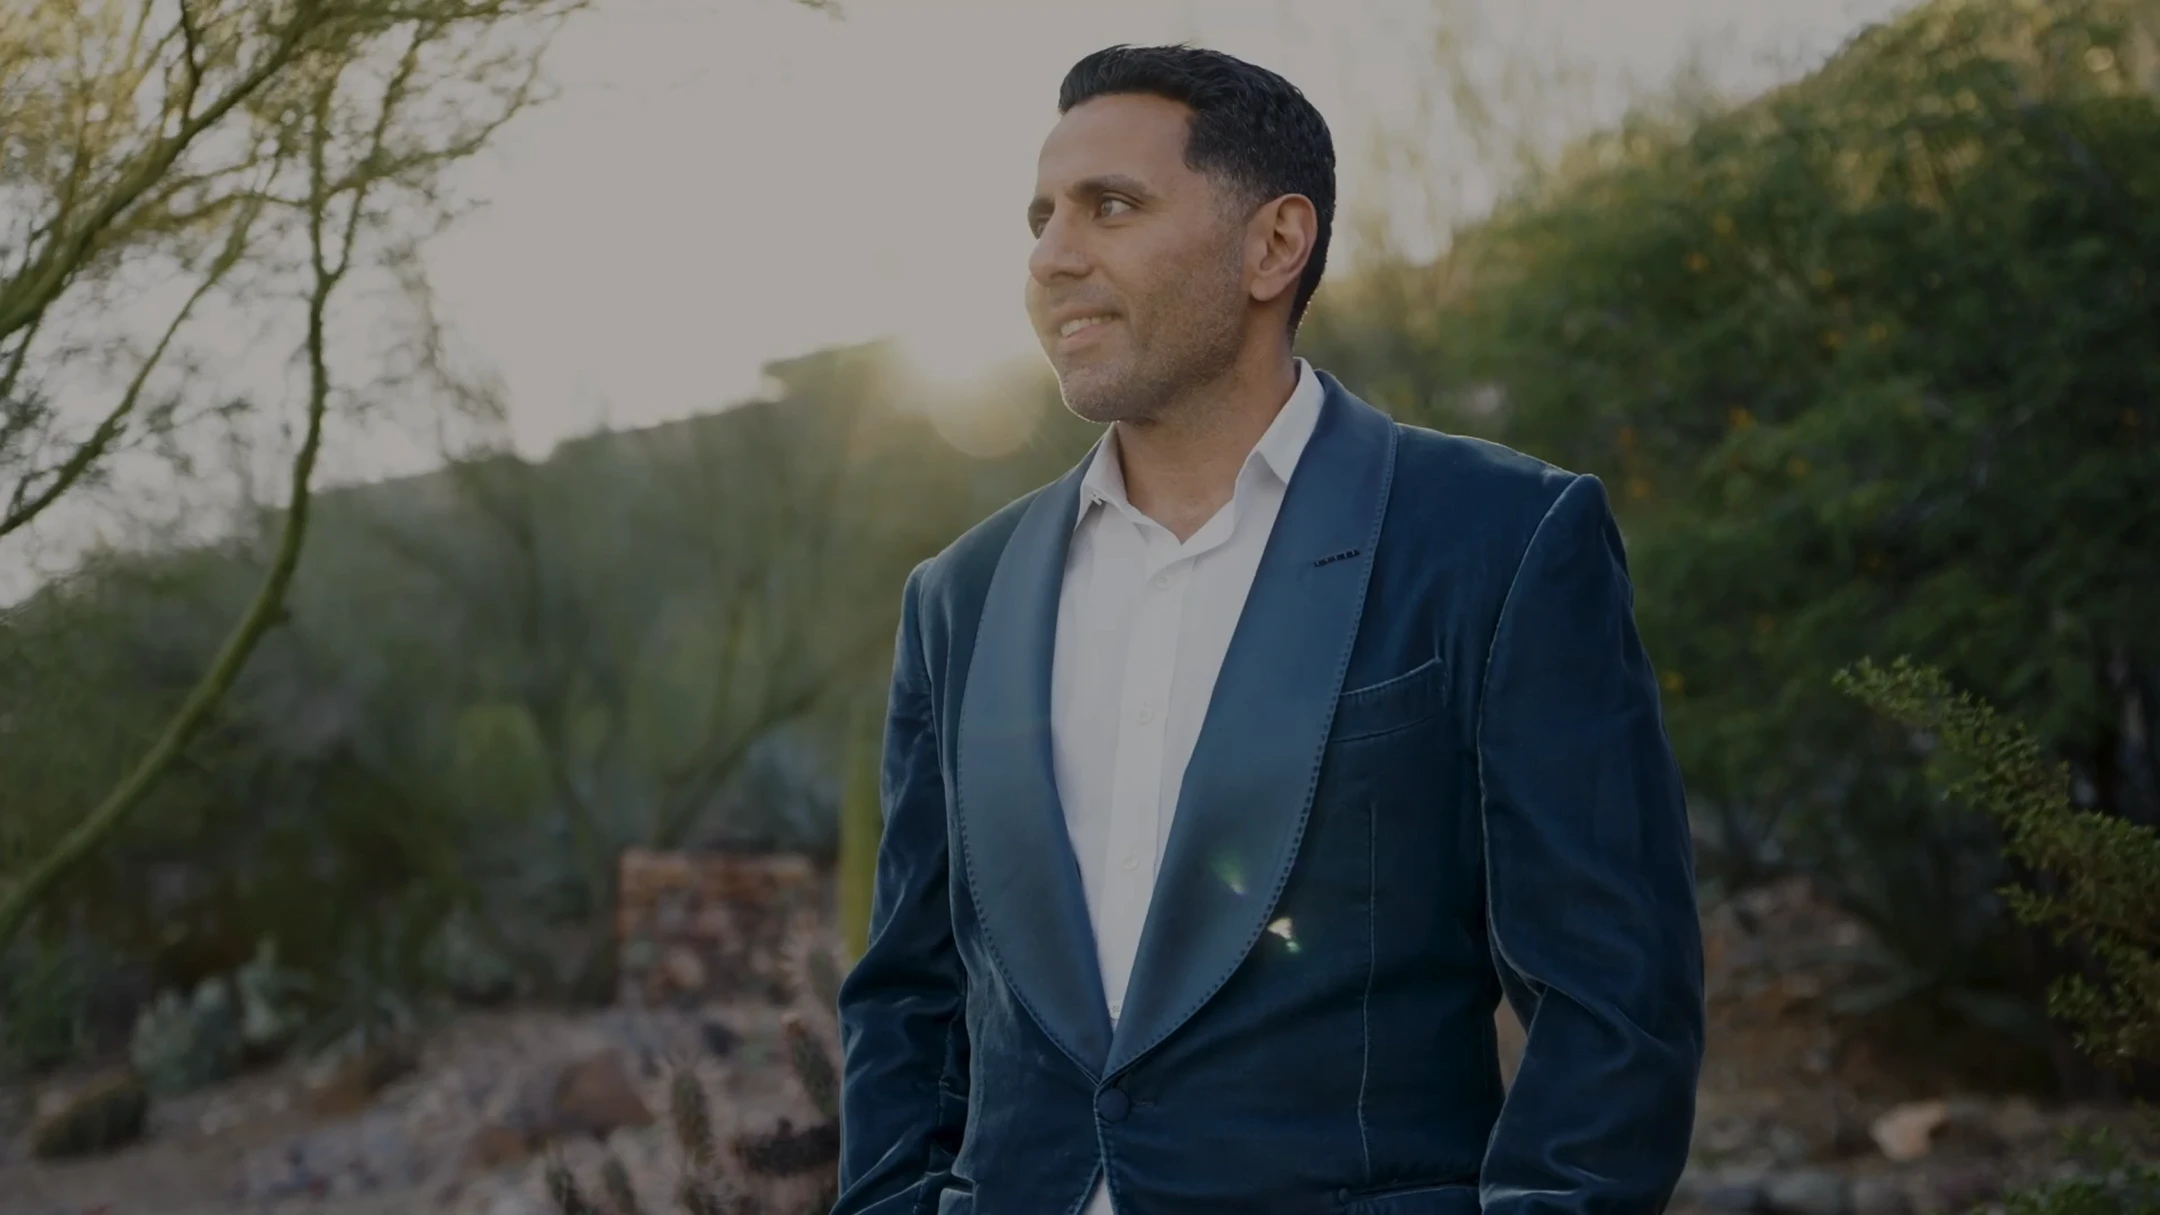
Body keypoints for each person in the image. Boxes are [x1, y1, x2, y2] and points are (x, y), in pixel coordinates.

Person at [832, 43, 1705, 1215]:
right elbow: (908, 999)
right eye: (1039, 218)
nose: (1051, 256)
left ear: (1274, 245)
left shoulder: (1503, 538)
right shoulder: (959, 597)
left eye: (1112, 206)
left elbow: (1615, 1003)